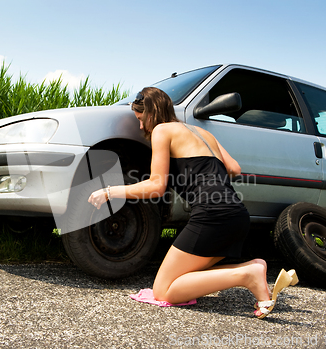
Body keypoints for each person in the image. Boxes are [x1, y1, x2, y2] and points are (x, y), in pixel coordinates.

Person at [88, 87, 297, 318]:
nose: (140, 126)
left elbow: (157, 186)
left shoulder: (162, 130)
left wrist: (110, 191)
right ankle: (254, 268)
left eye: (140, 119)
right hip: (237, 216)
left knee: (163, 291)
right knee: (180, 279)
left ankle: (247, 276)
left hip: (212, 216)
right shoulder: (202, 132)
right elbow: (235, 169)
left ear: (151, 113)